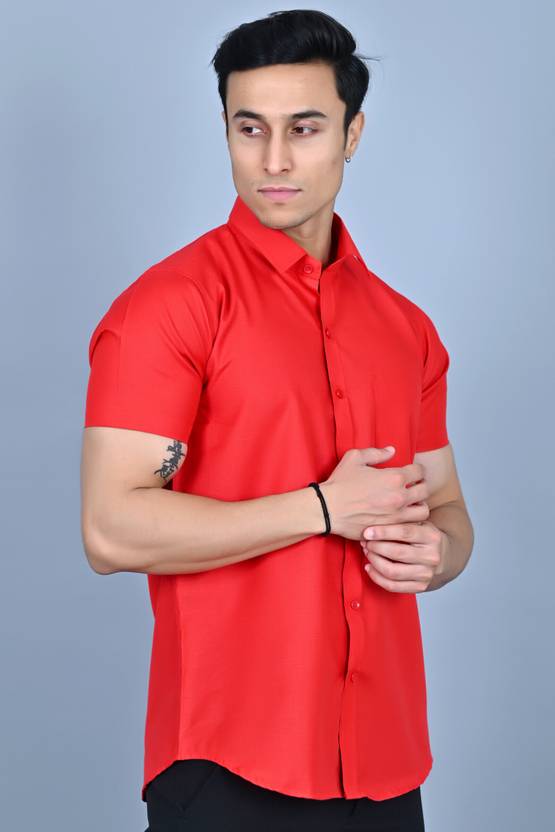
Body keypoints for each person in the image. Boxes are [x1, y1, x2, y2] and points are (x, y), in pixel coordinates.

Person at [80, 9, 474, 831]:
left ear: (351, 133)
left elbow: (446, 511)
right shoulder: (169, 306)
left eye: (304, 127)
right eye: (249, 128)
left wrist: (437, 554)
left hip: (384, 764)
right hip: (227, 762)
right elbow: (111, 530)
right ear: (225, 130)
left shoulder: (406, 329)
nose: (274, 160)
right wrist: (323, 508)